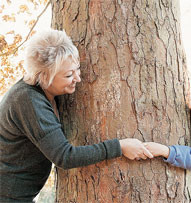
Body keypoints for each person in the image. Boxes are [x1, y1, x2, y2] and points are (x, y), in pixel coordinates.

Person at [0, 29, 153, 202]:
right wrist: (120, 146)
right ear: (44, 77)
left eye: (77, 69)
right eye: (68, 75)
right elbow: (65, 157)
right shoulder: (27, 101)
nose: (78, 78)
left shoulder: (43, 92)